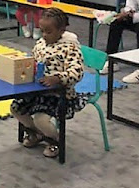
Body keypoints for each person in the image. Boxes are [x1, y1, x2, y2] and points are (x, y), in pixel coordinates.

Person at [10, 8, 85, 159]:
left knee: (40, 119)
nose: (44, 35)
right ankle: (37, 134)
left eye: (48, 32)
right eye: (42, 30)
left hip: (59, 96)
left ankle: (56, 141)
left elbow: (77, 72)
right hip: (37, 91)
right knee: (15, 108)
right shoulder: (41, 44)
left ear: (61, 31)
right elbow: (33, 61)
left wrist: (57, 78)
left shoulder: (70, 48)